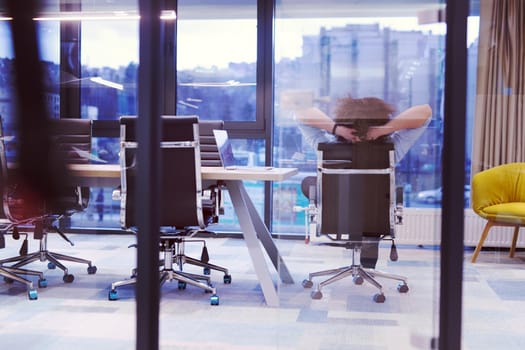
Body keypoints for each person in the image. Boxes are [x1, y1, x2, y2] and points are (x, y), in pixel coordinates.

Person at [295, 95, 432, 268]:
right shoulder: (392, 150)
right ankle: (368, 241)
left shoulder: (325, 147)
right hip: (375, 217)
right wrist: (384, 130)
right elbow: (426, 111)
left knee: (309, 182)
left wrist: (337, 130)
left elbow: (300, 112)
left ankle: (363, 241)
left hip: (336, 216)